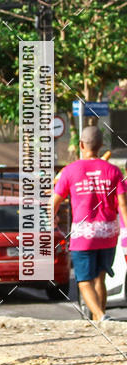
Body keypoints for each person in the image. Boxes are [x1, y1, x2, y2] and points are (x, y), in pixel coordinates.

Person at [53, 126, 127, 322]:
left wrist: (53, 223)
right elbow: (122, 204)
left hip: (84, 234)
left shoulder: (70, 171)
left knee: (84, 281)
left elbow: (54, 202)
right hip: (109, 232)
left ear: (81, 144)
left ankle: (101, 316)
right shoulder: (113, 170)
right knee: (100, 278)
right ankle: (98, 321)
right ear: (102, 146)